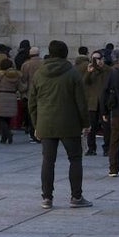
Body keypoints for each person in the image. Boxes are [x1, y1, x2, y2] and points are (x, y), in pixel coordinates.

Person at [27, 39, 93, 209]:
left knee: (48, 161)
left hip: (46, 123)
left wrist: (36, 124)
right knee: (75, 159)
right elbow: (81, 102)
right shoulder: (72, 73)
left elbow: (32, 102)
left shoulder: (39, 74)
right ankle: (76, 197)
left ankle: (47, 198)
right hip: (69, 124)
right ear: (65, 54)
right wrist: (86, 123)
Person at [0, 58, 23, 144]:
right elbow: (21, 87)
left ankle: (8, 134)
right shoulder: (16, 75)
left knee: (0, 118)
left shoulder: (0, 75)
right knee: (7, 119)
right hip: (12, 97)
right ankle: (3, 138)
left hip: (0, 97)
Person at [83, 49, 109, 156]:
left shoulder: (107, 69)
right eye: (94, 59)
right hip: (92, 102)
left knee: (106, 127)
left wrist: (102, 67)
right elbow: (84, 83)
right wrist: (89, 72)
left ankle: (107, 148)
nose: (97, 61)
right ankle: (91, 148)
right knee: (91, 127)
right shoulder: (89, 70)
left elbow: (110, 80)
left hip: (104, 102)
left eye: (99, 58)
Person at [18, 46, 42, 142]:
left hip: (30, 92)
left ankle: (33, 133)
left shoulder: (26, 65)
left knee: (31, 113)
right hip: (42, 91)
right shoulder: (43, 63)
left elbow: (23, 79)